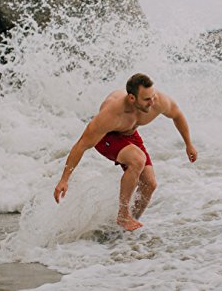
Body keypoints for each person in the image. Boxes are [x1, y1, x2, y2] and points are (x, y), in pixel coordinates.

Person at [53, 73, 198, 231]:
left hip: (130, 134)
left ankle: (123, 230)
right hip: (106, 137)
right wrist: (64, 180)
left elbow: (177, 115)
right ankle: (123, 215)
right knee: (138, 160)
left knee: (150, 184)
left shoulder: (158, 101)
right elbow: (81, 145)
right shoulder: (111, 114)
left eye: (153, 96)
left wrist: (188, 144)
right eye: (147, 99)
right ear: (131, 98)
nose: (152, 102)